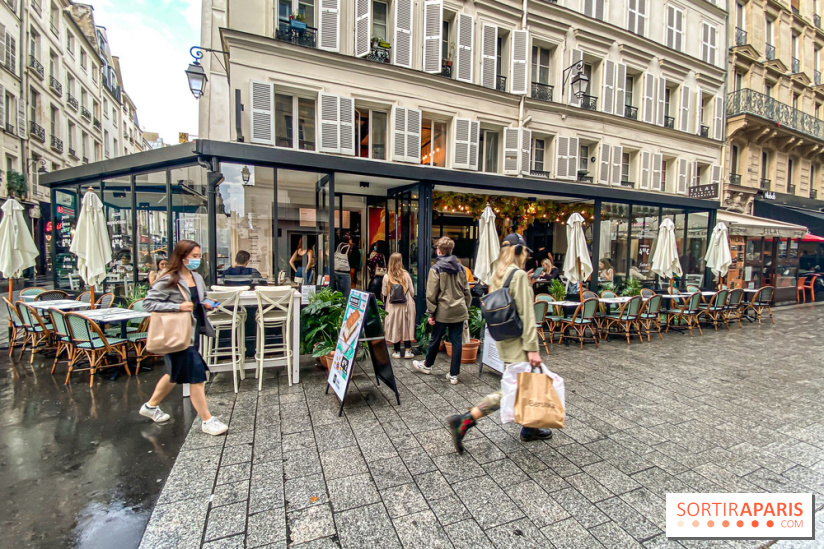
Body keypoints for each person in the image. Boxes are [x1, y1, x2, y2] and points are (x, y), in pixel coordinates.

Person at [447, 234, 551, 452]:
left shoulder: (498, 274)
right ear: (517, 251)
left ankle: (529, 427)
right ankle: (465, 420)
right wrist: (533, 349)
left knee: (525, 386)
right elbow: (527, 314)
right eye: (525, 251)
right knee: (513, 389)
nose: (528, 256)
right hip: (520, 344)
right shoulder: (519, 275)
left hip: (504, 339)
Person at [138, 239, 228, 436]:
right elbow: (149, 304)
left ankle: (151, 406)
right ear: (182, 256)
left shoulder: (197, 277)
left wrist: (206, 302)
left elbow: (198, 299)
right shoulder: (168, 279)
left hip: (191, 332)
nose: (197, 260)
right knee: (197, 375)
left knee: (174, 374)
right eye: (193, 256)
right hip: (176, 335)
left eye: (198, 256)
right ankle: (207, 420)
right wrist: (177, 307)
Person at [412, 236, 471, 384]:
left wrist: (431, 313)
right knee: (457, 341)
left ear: (438, 250)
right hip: (459, 310)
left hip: (442, 311)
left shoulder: (436, 269)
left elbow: (431, 293)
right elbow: (467, 292)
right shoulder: (461, 269)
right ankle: (454, 375)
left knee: (435, 338)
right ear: (451, 250)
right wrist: (465, 308)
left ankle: (427, 365)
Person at [382, 253, 416, 359]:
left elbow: (384, 293)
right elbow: (412, 292)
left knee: (395, 326)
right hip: (406, 304)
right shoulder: (406, 275)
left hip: (393, 306)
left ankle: (396, 351)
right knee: (407, 326)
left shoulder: (387, 276)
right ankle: (408, 350)